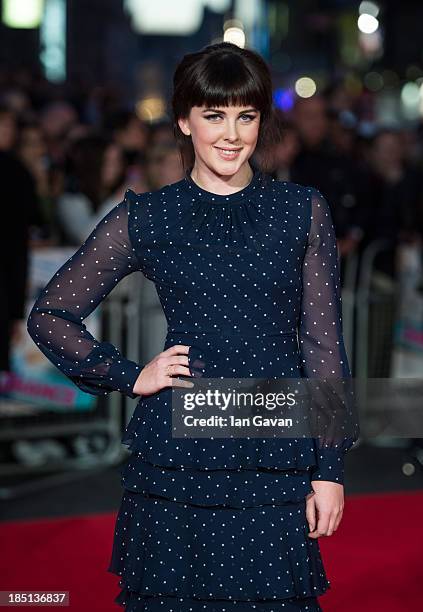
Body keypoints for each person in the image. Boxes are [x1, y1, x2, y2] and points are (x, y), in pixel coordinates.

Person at [27, 42, 359, 611]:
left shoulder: (301, 210)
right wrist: (131, 375)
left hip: (272, 461)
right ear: (184, 119)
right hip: (177, 464)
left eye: (245, 116)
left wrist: (329, 469)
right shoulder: (150, 216)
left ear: (260, 122)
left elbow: (324, 346)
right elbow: (50, 316)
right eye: (213, 115)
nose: (231, 134)